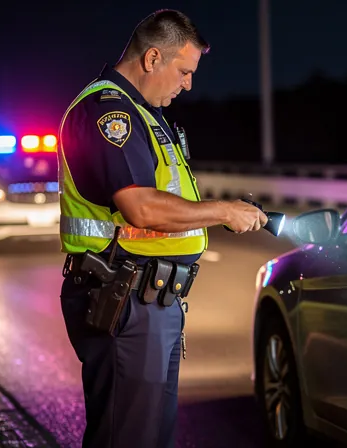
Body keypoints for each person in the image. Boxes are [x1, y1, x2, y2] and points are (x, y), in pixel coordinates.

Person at [57, 10, 267, 448]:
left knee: (152, 437)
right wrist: (222, 211)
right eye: (184, 70)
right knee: (127, 437)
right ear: (153, 58)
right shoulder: (109, 112)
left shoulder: (145, 115)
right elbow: (142, 208)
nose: (188, 83)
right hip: (122, 298)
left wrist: (217, 214)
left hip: (150, 299)